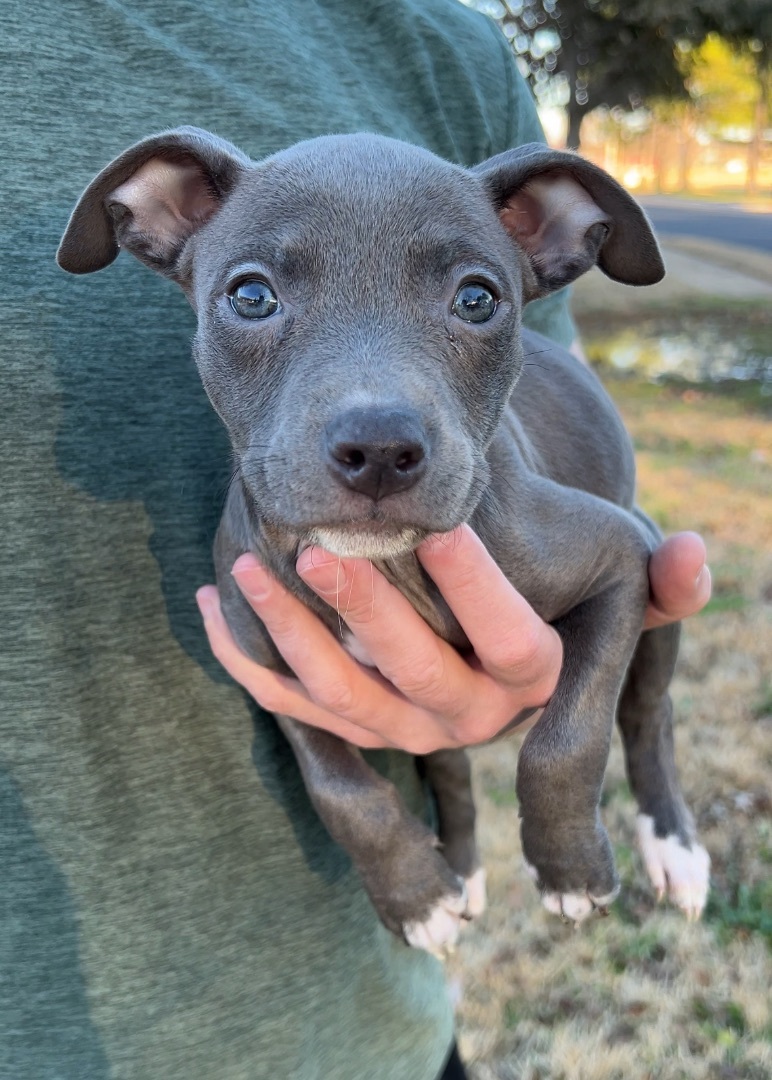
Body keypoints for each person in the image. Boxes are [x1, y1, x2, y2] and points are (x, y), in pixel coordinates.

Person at [1, 1, 710, 1077]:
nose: (374, 422)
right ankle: (445, 842)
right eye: (254, 293)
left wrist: (567, 769)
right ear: (160, 223)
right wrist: (374, 826)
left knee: (622, 609)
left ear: (554, 240)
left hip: (369, 1038)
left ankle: (657, 790)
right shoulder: (245, 553)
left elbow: (616, 553)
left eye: (473, 294)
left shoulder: (444, 45)